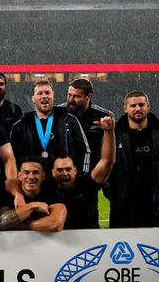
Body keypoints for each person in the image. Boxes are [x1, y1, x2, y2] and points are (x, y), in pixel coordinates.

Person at [10, 80, 90, 174]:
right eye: (40, 93)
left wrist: (81, 175)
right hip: (33, 180)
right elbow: (11, 157)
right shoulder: (20, 125)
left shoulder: (69, 120)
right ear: (33, 98)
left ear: (53, 96)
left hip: (62, 180)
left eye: (47, 93)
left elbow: (84, 150)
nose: (44, 96)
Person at [52, 112, 115, 229]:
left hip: (90, 241)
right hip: (58, 243)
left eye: (68, 169)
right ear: (52, 172)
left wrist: (109, 132)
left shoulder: (86, 185)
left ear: (75, 170)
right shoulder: (47, 189)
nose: (65, 173)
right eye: (60, 170)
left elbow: (107, 162)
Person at [106, 91, 159, 227]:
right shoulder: (115, 132)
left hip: (154, 204)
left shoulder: (157, 132)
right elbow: (106, 163)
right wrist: (114, 194)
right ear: (125, 108)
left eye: (141, 105)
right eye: (133, 105)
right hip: (123, 206)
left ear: (148, 106)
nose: (137, 109)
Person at [0, 156, 67, 231]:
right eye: (26, 173)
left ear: (43, 176)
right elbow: (1, 223)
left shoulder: (53, 193)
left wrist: (23, 226)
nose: (31, 177)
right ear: (19, 176)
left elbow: (56, 224)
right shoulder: (9, 194)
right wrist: (32, 206)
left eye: (35, 172)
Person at [65, 78, 110, 167]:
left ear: (88, 97)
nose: (71, 100)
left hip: (94, 170)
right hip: (66, 170)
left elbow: (110, 148)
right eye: (69, 95)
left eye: (76, 96)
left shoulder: (103, 116)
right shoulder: (59, 113)